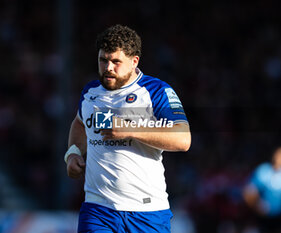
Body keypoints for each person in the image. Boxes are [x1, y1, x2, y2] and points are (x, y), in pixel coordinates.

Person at [65, 24, 191, 232]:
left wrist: (130, 129)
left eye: (116, 61)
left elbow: (183, 139)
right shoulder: (91, 92)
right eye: (103, 60)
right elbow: (79, 123)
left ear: (134, 62)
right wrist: (72, 153)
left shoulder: (155, 91)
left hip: (147, 211)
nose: (108, 68)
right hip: (98, 210)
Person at [242, 146, 281, 233]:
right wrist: (256, 206)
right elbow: (249, 192)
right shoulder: (263, 171)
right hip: (261, 218)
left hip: (280, 219)